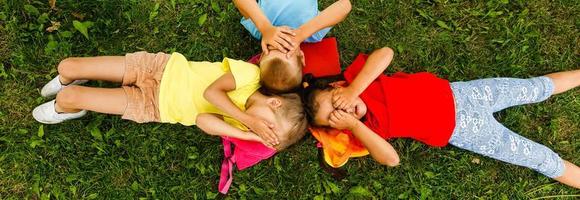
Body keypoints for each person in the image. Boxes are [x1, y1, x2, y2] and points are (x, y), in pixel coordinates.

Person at [302, 47, 580, 188]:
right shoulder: (367, 129)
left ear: (337, 87)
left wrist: (353, 90)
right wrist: (352, 125)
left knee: (535, 87)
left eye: (337, 103)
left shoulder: (360, 82)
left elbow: (386, 53)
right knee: (537, 157)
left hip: (468, 94)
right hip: (466, 130)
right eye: (335, 118)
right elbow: (391, 159)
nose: (344, 111)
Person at [32, 51, 308, 150]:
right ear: (275, 103)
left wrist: (249, 136)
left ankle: (68, 108)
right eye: (267, 126)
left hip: (152, 106)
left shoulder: (233, 121)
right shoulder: (250, 77)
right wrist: (248, 119)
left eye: (266, 135)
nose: (258, 129)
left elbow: (203, 120)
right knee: (67, 67)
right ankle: (71, 78)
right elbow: (211, 93)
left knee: (69, 97)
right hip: (157, 68)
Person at [233, 0, 351, 93]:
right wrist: (301, 33)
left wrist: (265, 27)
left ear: (262, 54)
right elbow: (345, 5)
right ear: (301, 56)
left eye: (273, 46)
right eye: (287, 48)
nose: (282, 41)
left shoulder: (259, 29)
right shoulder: (313, 34)